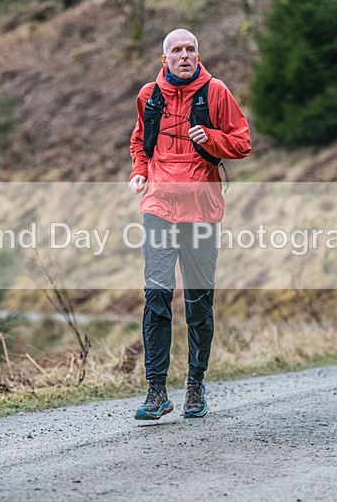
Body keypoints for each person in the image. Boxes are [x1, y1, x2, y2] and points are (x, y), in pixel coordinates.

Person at [129, 28, 251, 420]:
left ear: (198, 54)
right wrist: (139, 172)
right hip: (159, 205)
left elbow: (242, 142)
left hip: (202, 210)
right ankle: (156, 391)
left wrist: (210, 138)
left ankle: (195, 385)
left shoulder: (216, 92)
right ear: (164, 59)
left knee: (199, 302)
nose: (185, 55)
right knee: (157, 296)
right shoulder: (149, 95)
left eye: (191, 49)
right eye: (177, 50)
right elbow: (139, 142)